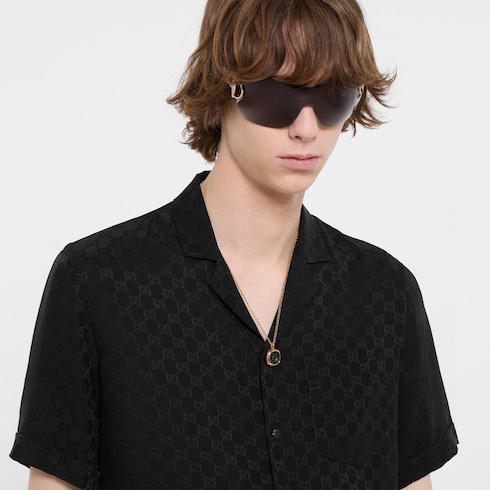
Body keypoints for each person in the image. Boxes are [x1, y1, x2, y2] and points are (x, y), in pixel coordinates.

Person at [10, 0, 458, 488]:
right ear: (222, 89)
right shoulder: (96, 282)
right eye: (277, 96)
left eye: (333, 98)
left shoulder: (385, 294)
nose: (307, 129)